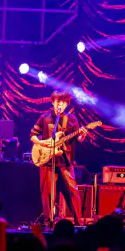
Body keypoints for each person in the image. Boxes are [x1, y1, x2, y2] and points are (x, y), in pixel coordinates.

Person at [30, 90, 87, 226]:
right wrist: (43, 143)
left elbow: (78, 138)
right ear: (53, 102)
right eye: (57, 101)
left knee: (72, 192)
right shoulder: (44, 118)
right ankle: (49, 222)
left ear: (67, 104)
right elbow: (33, 135)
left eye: (63, 102)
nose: (60, 104)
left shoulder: (72, 119)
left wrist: (82, 135)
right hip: (47, 161)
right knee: (48, 194)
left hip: (66, 162)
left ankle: (78, 222)